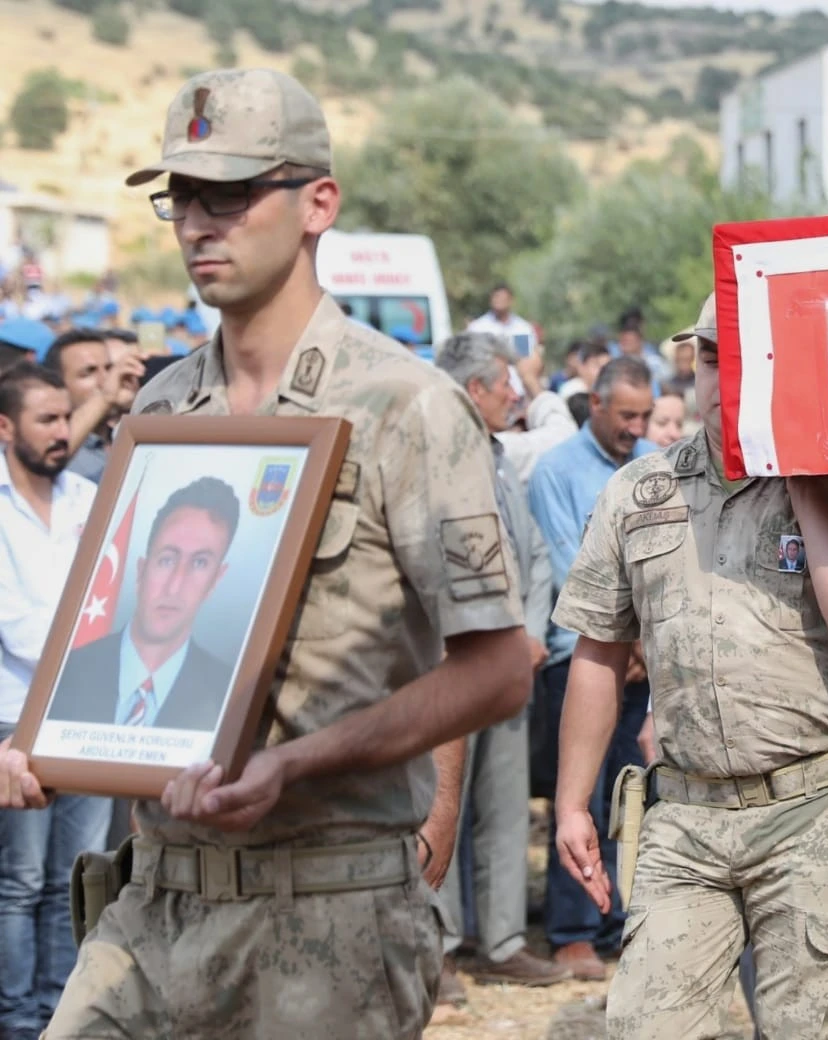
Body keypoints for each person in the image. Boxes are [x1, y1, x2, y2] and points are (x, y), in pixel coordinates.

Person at [0, 68, 534, 1039]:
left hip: (323, 913)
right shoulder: (162, 408)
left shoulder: (405, 405)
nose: (198, 225)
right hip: (154, 899)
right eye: (182, 199)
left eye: (232, 195)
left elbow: (498, 666)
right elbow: (125, 632)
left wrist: (295, 763)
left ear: (317, 203)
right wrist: (45, 744)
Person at [552, 292, 828, 1038]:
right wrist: (572, 803)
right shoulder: (638, 493)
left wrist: (800, 477)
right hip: (687, 813)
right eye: (710, 358)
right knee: (645, 1025)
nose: (722, 377)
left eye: (745, 358)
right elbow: (598, 650)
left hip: (816, 807)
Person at [431, 332, 568, 1001]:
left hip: (510, 664)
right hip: (448, 667)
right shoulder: (426, 458)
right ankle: (437, 950)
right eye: (506, 384)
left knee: (507, 807)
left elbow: (534, 554)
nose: (516, 394)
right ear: (473, 389)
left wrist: (533, 633)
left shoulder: (500, 456)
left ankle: (504, 942)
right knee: (440, 809)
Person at [526, 355, 659, 980]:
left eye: (645, 415)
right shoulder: (556, 470)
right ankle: (574, 929)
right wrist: (622, 640)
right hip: (577, 656)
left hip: (642, 658)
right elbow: (564, 565)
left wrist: (641, 644)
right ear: (597, 404)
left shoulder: (656, 465)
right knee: (578, 790)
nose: (637, 427)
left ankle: (621, 915)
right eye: (627, 415)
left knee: (628, 794)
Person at [0, 363, 107, 1040]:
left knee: (76, 876)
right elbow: (16, 625)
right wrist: (94, 640)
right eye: (46, 420)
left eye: (66, 417)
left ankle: (63, 1014)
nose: (62, 431)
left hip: (85, 711)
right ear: (5, 428)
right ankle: (16, 1017)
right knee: (20, 880)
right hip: (15, 716)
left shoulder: (88, 499)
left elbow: (111, 593)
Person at [47, 477, 239, 732]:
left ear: (215, 580)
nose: (174, 586)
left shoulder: (230, 693)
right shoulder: (65, 672)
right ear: (141, 569)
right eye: (167, 560)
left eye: (199, 563)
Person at [41, 329, 144, 484]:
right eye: (88, 373)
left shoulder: (127, 436)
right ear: (58, 385)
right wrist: (105, 397)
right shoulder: (49, 444)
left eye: (110, 369)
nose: (106, 380)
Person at [466, 284, 538, 355]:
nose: (499, 301)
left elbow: (528, 356)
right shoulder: (477, 328)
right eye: (496, 297)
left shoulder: (523, 328)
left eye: (502, 298)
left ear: (511, 300)